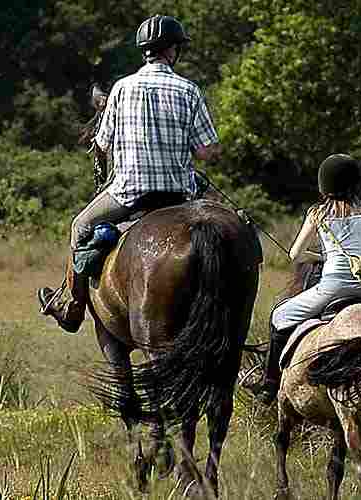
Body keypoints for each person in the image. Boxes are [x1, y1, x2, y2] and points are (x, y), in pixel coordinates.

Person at [38, 15, 221, 333]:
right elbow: (208, 151)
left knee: (79, 225)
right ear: (172, 51)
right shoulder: (189, 90)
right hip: (180, 194)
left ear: (145, 51)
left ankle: (73, 307)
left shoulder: (122, 88)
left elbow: (103, 145)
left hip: (129, 192)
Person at [248, 154, 361, 402]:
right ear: (355, 184)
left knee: (279, 316)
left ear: (324, 185)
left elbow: (295, 254)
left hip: (332, 287)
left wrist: (323, 257)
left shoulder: (317, 213)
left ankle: (270, 385)